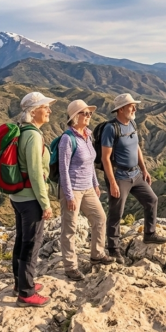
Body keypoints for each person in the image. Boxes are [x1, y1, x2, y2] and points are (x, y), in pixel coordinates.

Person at [102, 93, 166, 263]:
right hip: (120, 176)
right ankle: (113, 249)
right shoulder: (111, 128)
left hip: (136, 174)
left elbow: (136, 147)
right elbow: (105, 158)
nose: (135, 108)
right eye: (131, 106)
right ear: (121, 109)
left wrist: (144, 169)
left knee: (152, 200)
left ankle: (149, 233)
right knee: (117, 212)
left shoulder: (132, 123)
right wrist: (113, 182)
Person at [58, 100, 115, 281]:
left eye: (89, 113)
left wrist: (96, 184)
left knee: (100, 218)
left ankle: (97, 254)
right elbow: (63, 169)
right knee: (70, 228)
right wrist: (68, 195)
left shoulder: (87, 135)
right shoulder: (68, 139)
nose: (89, 116)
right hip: (73, 189)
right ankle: (70, 266)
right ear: (76, 117)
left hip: (88, 187)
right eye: (85, 113)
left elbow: (90, 163)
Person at [10, 91, 54, 307]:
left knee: (21, 240)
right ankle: (26, 293)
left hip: (18, 196)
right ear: (34, 111)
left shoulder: (22, 131)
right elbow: (37, 174)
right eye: (45, 108)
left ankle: (20, 283)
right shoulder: (34, 136)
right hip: (30, 199)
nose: (49, 111)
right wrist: (45, 204)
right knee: (31, 244)